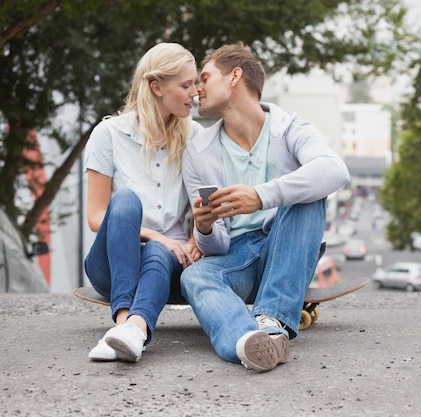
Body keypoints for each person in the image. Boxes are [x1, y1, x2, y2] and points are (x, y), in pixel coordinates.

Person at [181, 42, 350, 372]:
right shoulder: (197, 151)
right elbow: (214, 246)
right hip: (236, 257)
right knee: (195, 276)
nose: (197, 88)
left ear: (235, 76)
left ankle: (271, 322)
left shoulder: (290, 128)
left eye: (204, 77)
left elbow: (334, 170)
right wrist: (203, 228)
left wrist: (261, 196)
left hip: (285, 248)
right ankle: (251, 343)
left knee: (309, 191)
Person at [83, 43, 203, 363]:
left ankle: (130, 330)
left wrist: (192, 240)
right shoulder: (108, 134)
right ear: (156, 87)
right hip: (111, 262)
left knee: (158, 251)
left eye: (196, 83)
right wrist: (155, 234)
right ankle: (124, 320)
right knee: (124, 200)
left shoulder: (195, 135)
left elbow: (204, 204)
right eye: (186, 85)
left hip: (169, 264)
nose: (196, 91)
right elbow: (96, 217)